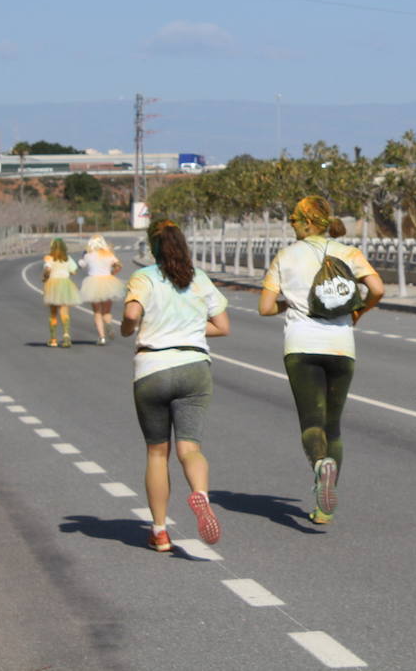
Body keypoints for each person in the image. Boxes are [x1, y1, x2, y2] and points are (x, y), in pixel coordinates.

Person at [259, 196, 384, 525]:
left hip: (301, 345)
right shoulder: (348, 253)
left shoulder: (285, 257)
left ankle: (319, 466)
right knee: (334, 428)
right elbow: (377, 289)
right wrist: (358, 311)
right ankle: (325, 506)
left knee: (311, 423)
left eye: (294, 220)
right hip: (341, 346)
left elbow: (265, 307)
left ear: (306, 222)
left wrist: (289, 304)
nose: (291, 225)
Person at [121, 219, 229, 552]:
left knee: (157, 453)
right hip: (194, 366)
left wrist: (129, 327)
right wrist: (192, 329)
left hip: (153, 368)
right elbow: (222, 326)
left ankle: (160, 531)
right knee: (190, 448)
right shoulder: (198, 279)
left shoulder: (144, 277)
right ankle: (200, 494)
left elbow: (132, 313)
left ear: (152, 248)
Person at [79, 235, 124, 345]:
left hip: (92, 283)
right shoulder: (109, 255)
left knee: (97, 312)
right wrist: (112, 273)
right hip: (108, 282)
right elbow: (119, 266)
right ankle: (108, 324)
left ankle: (102, 337)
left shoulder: (88, 255)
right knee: (107, 311)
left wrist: (83, 256)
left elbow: (81, 265)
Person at [42, 238, 80, 347]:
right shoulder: (68, 258)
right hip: (65, 285)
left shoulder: (49, 258)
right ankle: (66, 336)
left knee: (53, 312)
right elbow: (74, 271)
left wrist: (45, 277)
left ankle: (53, 339)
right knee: (64, 311)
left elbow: (47, 270)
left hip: (53, 284)